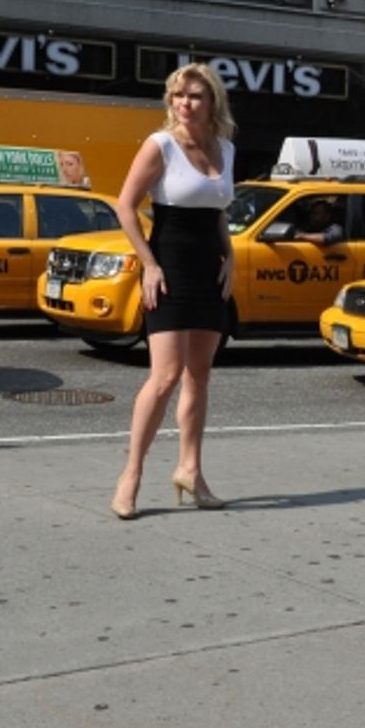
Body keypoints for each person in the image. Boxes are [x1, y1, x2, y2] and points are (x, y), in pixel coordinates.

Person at [110, 63, 236, 520]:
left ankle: (190, 471)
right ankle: (131, 476)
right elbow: (125, 206)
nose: (185, 103)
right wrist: (148, 264)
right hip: (169, 269)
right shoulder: (160, 144)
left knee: (199, 375)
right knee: (164, 377)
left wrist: (231, 256)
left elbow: (218, 211)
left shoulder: (225, 148)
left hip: (210, 270)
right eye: (179, 95)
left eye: (195, 95)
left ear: (212, 101)